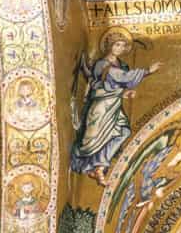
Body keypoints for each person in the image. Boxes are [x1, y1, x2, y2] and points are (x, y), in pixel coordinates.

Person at [69, 29, 162, 185]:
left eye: (122, 46)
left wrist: (123, 93)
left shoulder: (122, 64)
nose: (119, 48)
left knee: (124, 132)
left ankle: (99, 165)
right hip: (102, 105)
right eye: (116, 45)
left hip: (114, 105)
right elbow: (117, 78)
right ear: (109, 46)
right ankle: (94, 166)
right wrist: (147, 71)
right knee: (93, 141)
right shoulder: (102, 64)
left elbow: (118, 83)